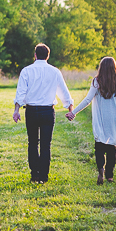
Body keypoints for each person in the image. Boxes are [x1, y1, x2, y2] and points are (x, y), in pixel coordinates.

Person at [66, 56, 116, 185]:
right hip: (115, 120)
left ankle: (101, 169)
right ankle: (109, 175)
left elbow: (87, 100)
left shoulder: (96, 82)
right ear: (115, 68)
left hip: (101, 120)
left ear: (101, 68)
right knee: (112, 149)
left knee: (99, 147)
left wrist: (73, 112)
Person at [13, 43, 74, 184]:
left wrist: (16, 110)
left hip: (31, 111)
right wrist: (70, 108)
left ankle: (35, 175)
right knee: (46, 145)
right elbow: (64, 92)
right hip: (48, 111)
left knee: (33, 143)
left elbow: (20, 92)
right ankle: (43, 177)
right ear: (48, 56)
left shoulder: (26, 71)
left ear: (35, 55)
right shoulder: (55, 72)